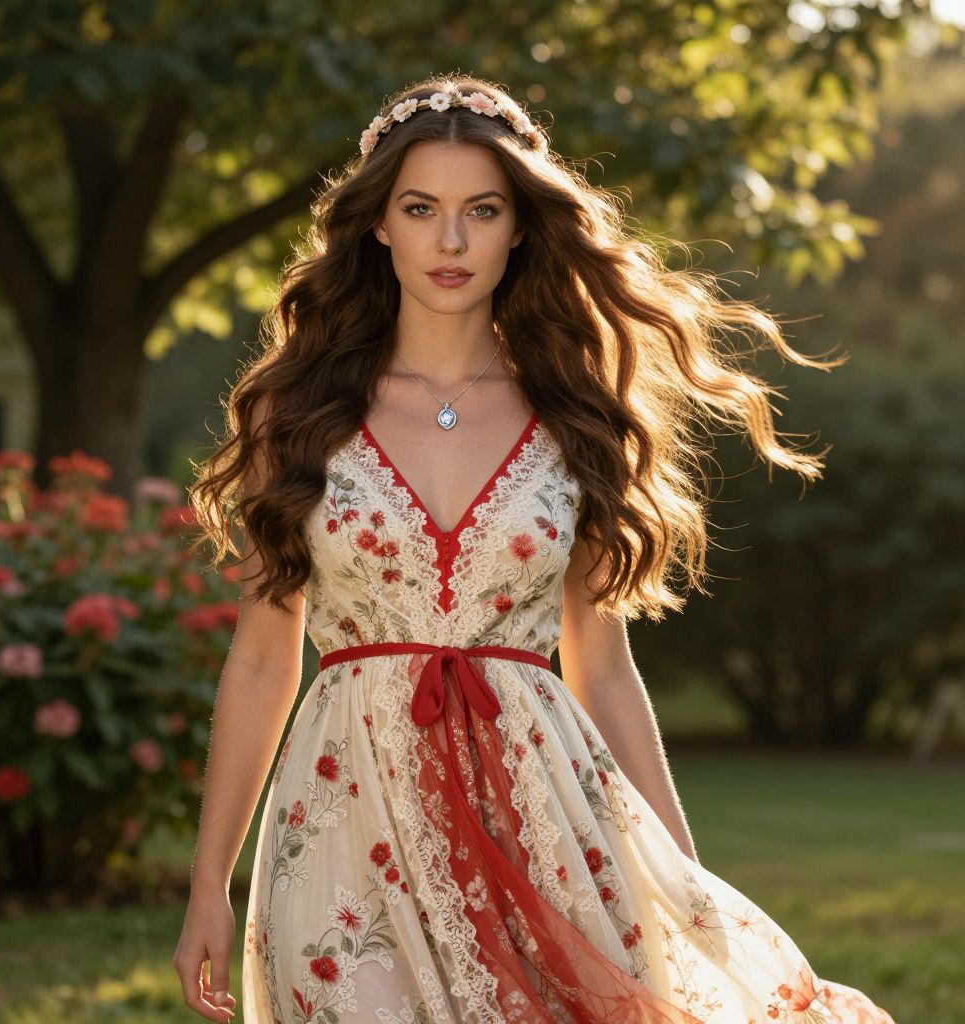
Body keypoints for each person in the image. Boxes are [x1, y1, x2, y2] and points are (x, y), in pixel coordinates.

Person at [174, 74, 897, 1024]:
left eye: (482, 210)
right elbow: (266, 655)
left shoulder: (572, 416)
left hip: (544, 814)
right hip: (344, 816)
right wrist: (207, 886)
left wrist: (683, 883)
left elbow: (603, 667)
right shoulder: (297, 410)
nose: (452, 241)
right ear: (379, 224)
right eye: (421, 209)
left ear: (520, 227)